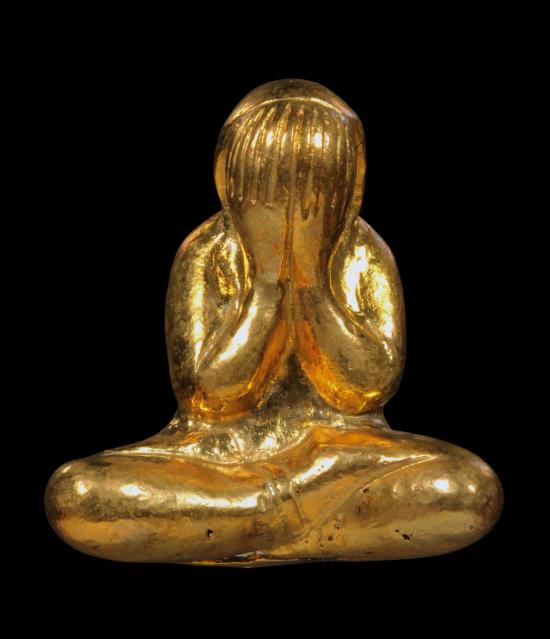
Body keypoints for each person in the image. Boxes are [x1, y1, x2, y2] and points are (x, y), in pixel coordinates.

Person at [45, 79, 503, 565]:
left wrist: (309, 278)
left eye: (316, 187)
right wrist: (268, 282)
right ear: (229, 180)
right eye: (267, 187)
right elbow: (210, 395)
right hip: (217, 455)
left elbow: (366, 389)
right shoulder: (206, 252)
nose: (292, 205)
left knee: (466, 488)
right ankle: (293, 518)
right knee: (80, 494)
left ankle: (241, 525)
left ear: (350, 185)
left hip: (341, 451)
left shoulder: (363, 252)